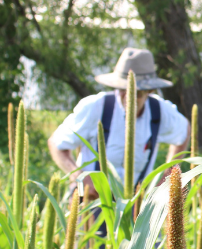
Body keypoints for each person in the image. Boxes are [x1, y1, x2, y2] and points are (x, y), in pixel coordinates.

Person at [48, 47, 190, 201]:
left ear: (149, 90)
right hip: (92, 199)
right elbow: (56, 144)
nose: (128, 96)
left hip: (134, 203)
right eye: (123, 88)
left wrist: (168, 174)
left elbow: (184, 131)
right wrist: (79, 177)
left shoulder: (159, 111)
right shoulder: (96, 107)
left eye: (137, 92)